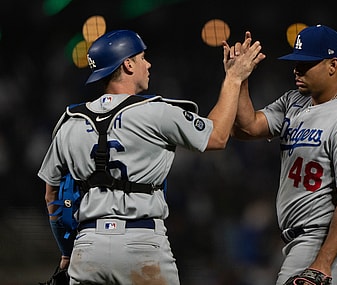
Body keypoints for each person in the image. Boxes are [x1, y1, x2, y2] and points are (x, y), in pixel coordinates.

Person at [38, 29, 265, 284]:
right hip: (141, 243)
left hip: (87, 247)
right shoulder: (155, 112)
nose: (148, 63)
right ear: (127, 64)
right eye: (142, 57)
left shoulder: (69, 122)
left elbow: (52, 195)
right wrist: (234, 78)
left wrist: (67, 252)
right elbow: (218, 137)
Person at [230, 25, 337, 284]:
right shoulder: (294, 101)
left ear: (333, 65)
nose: (297, 69)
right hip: (302, 240)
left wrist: (322, 263)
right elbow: (246, 127)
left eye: (306, 63)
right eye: (296, 62)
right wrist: (239, 78)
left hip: (334, 242)